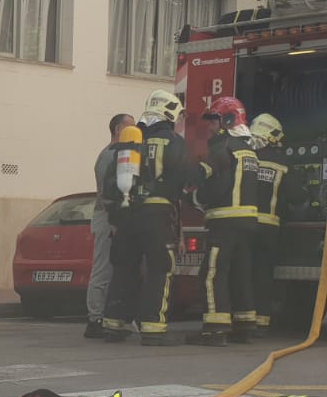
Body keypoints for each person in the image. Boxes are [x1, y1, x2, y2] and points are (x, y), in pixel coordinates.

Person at [101, 91, 194, 346]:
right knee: (160, 268)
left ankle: (113, 323)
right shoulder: (173, 141)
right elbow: (183, 178)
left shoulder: (130, 141)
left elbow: (111, 183)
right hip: (157, 216)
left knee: (124, 268)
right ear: (171, 112)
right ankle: (153, 327)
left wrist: (115, 216)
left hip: (126, 214)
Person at [188, 96, 264, 347]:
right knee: (241, 273)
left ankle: (215, 328)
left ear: (227, 120)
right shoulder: (250, 150)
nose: (210, 126)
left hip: (225, 221)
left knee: (211, 273)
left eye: (214, 120)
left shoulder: (223, 148)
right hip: (248, 222)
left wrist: (193, 196)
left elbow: (212, 185)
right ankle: (245, 325)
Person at [247, 114, 307, 339]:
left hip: (244, 224)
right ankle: (261, 321)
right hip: (269, 228)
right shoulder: (282, 163)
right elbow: (296, 196)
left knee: (243, 274)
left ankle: (243, 319)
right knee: (263, 276)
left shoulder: (245, 158)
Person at [86, 113, 136, 338]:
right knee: (103, 269)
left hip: (113, 217)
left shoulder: (121, 154)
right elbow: (105, 191)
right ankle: (94, 319)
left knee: (114, 270)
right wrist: (114, 219)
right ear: (118, 129)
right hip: (107, 217)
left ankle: (110, 317)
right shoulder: (109, 155)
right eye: (130, 126)